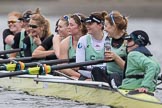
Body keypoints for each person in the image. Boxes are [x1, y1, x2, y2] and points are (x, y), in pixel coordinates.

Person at [92, 11, 128, 87]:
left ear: (114, 26)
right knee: (96, 70)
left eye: (106, 26)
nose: (104, 29)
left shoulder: (128, 42)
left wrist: (116, 58)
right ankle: (103, 90)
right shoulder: (108, 40)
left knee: (114, 75)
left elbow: (130, 69)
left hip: (124, 78)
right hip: (108, 75)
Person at [76, 11, 108, 79]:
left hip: (105, 75)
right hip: (87, 76)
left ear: (100, 25)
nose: (87, 26)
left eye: (90, 24)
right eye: (87, 23)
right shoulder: (83, 40)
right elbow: (80, 66)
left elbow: (109, 67)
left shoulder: (108, 40)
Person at [59, 13, 87, 79]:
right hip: (74, 75)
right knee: (74, 77)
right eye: (68, 24)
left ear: (80, 27)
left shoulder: (89, 39)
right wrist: (80, 77)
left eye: (71, 25)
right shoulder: (64, 43)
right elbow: (63, 67)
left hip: (88, 72)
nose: (68, 27)